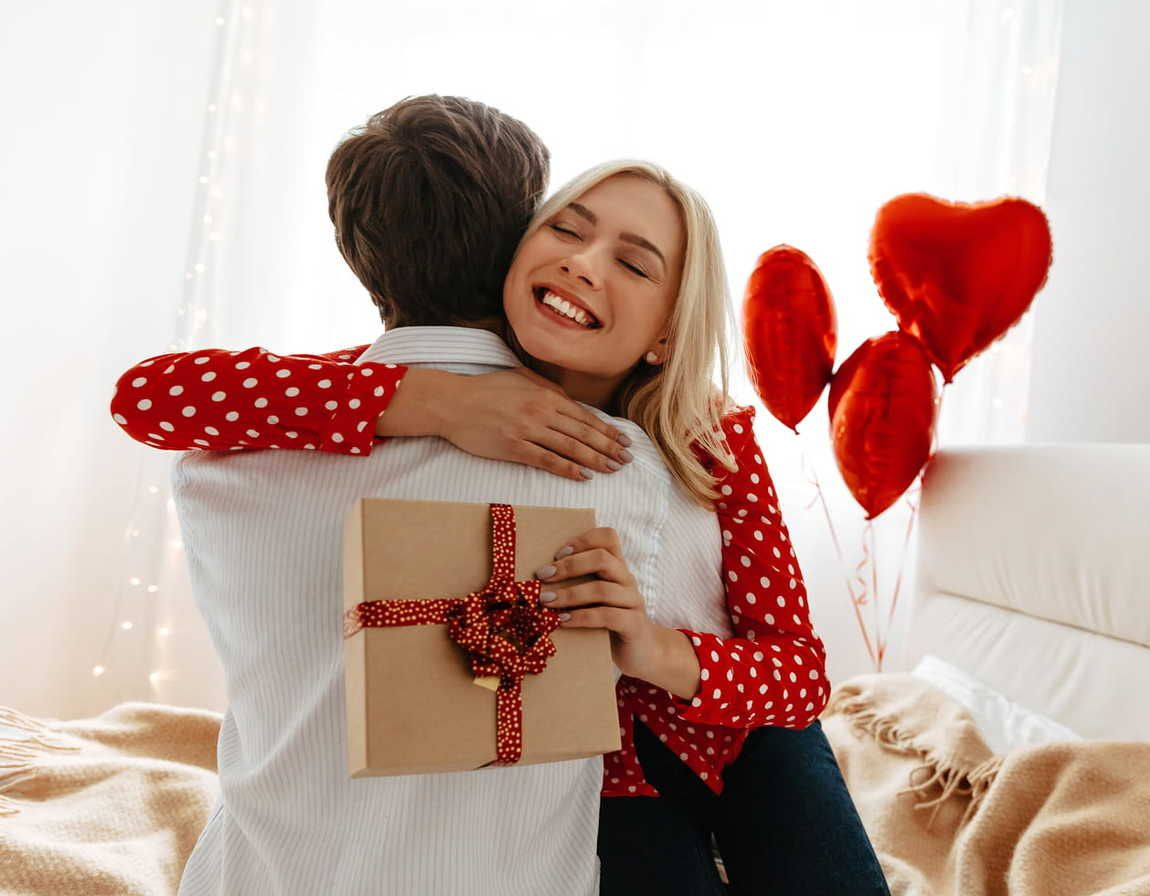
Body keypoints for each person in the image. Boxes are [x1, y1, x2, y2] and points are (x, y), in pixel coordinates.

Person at [113, 97, 889, 896]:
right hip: (598, 770)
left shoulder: (707, 437)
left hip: (716, 727)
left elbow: (798, 674)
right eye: (567, 228)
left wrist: (650, 647)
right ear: (513, 250)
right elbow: (150, 396)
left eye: (634, 261)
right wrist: (436, 403)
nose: (585, 261)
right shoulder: (416, 382)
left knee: (799, 787)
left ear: (666, 331)